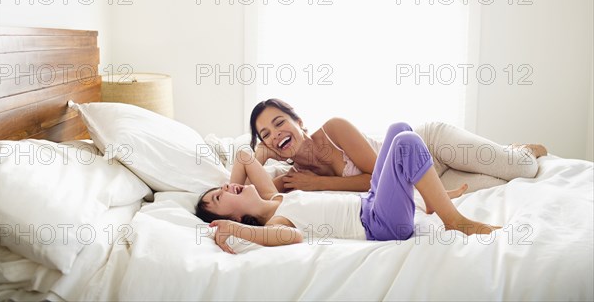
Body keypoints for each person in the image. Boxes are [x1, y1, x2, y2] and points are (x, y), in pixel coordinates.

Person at [196, 122, 502, 254]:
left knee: (399, 129)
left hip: (370, 202)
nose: (225, 187)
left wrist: (234, 184)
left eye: (222, 187)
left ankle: (429, 201)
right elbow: (292, 236)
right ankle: (455, 220)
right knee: (407, 144)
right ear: (236, 218)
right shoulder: (276, 221)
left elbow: (245, 156)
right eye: (218, 196)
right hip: (380, 224)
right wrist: (235, 230)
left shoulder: (274, 197)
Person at [248, 98, 547, 193]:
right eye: (266, 134)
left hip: (430, 146)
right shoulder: (294, 176)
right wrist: (261, 150)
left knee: (523, 168)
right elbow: (252, 188)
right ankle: (505, 153)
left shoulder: (334, 129)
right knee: (501, 185)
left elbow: (378, 178)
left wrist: (318, 183)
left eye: (279, 123)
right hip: (425, 181)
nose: (275, 134)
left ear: (299, 122)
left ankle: (520, 149)